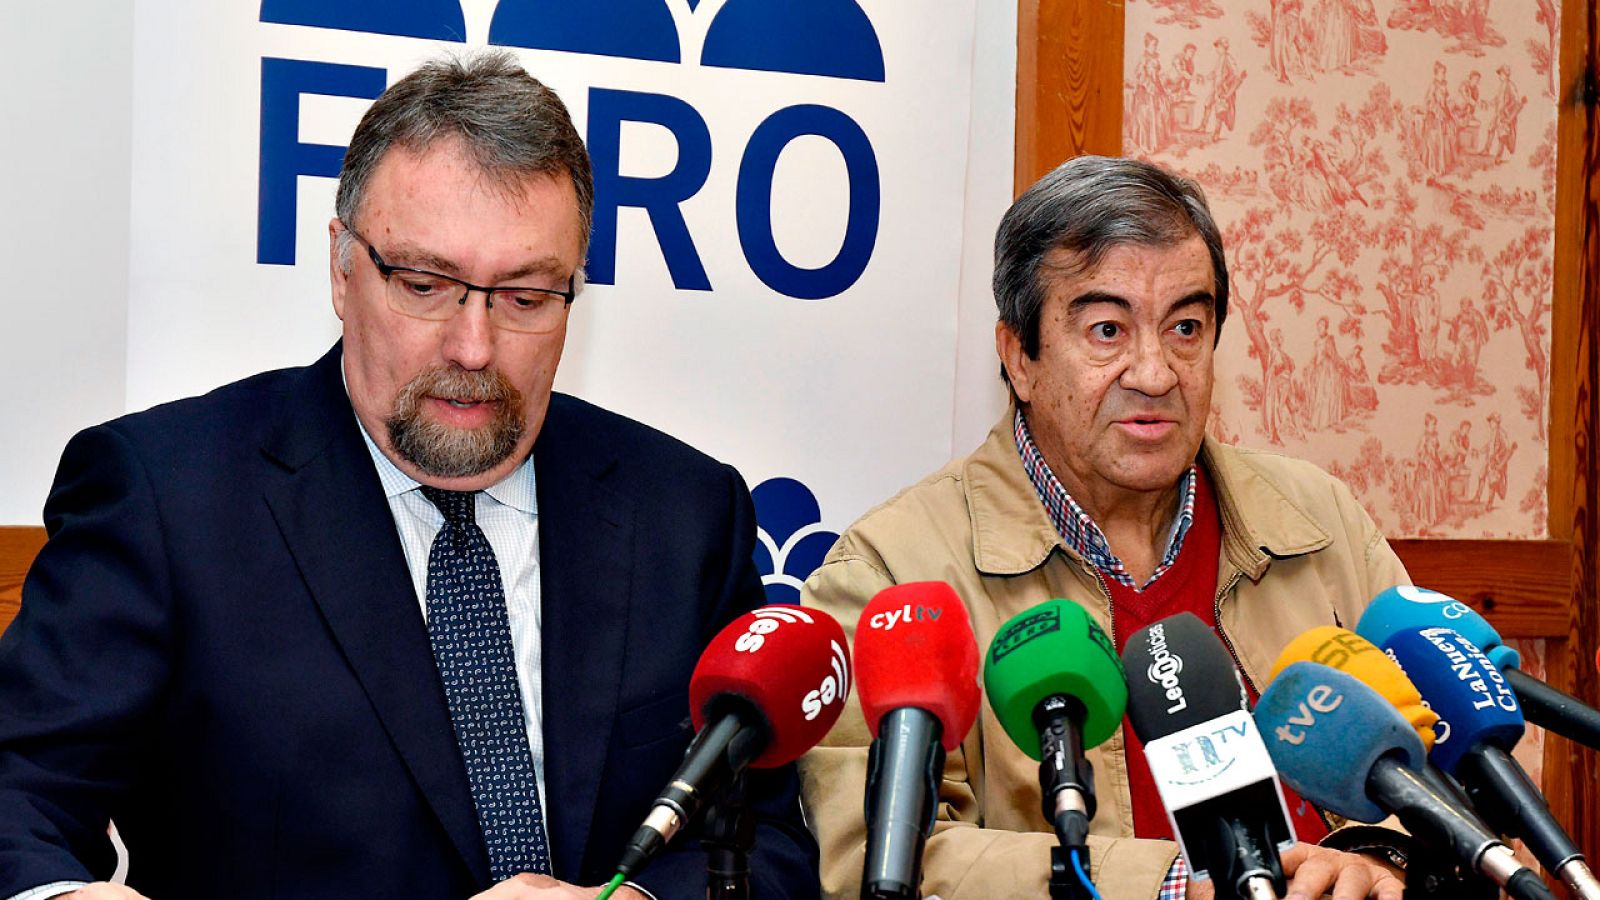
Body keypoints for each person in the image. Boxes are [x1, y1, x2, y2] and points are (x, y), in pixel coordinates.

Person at [0, 53, 819, 900]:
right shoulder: (169, 498)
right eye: (425, 285)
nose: (474, 346)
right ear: (341, 267)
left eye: (526, 298)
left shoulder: (684, 513)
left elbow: (766, 842)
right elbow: (16, 794)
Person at [798, 156, 1410, 900]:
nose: (1154, 372)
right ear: (1019, 355)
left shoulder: (1321, 524)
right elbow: (882, 858)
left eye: (1186, 326)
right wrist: (1173, 887)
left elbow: (1448, 771)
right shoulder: (892, 573)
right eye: (1107, 329)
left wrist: (1383, 860)